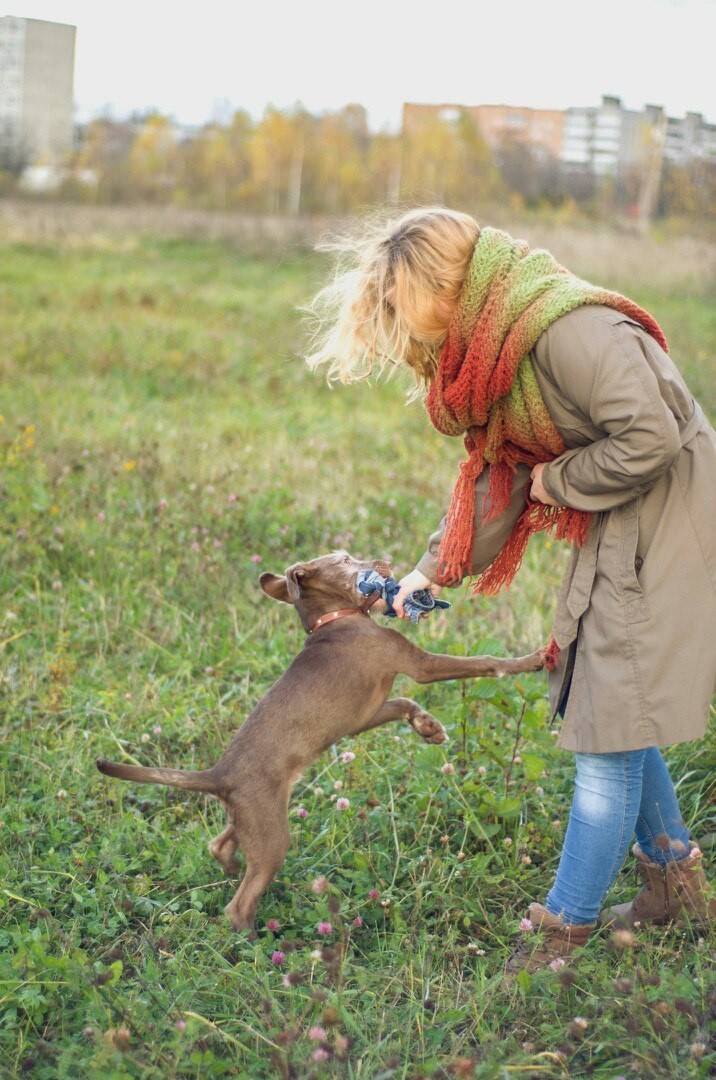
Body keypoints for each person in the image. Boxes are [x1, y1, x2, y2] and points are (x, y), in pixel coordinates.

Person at [305, 207, 716, 973]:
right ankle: (676, 888)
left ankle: (566, 929)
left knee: (606, 728)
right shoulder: (499, 350)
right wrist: (431, 570)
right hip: (632, 516)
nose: (414, 344)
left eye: (407, 316)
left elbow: (651, 439)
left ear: (443, 289)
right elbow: (504, 477)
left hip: (669, 520)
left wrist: (558, 479)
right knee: (609, 698)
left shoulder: (566, 330)